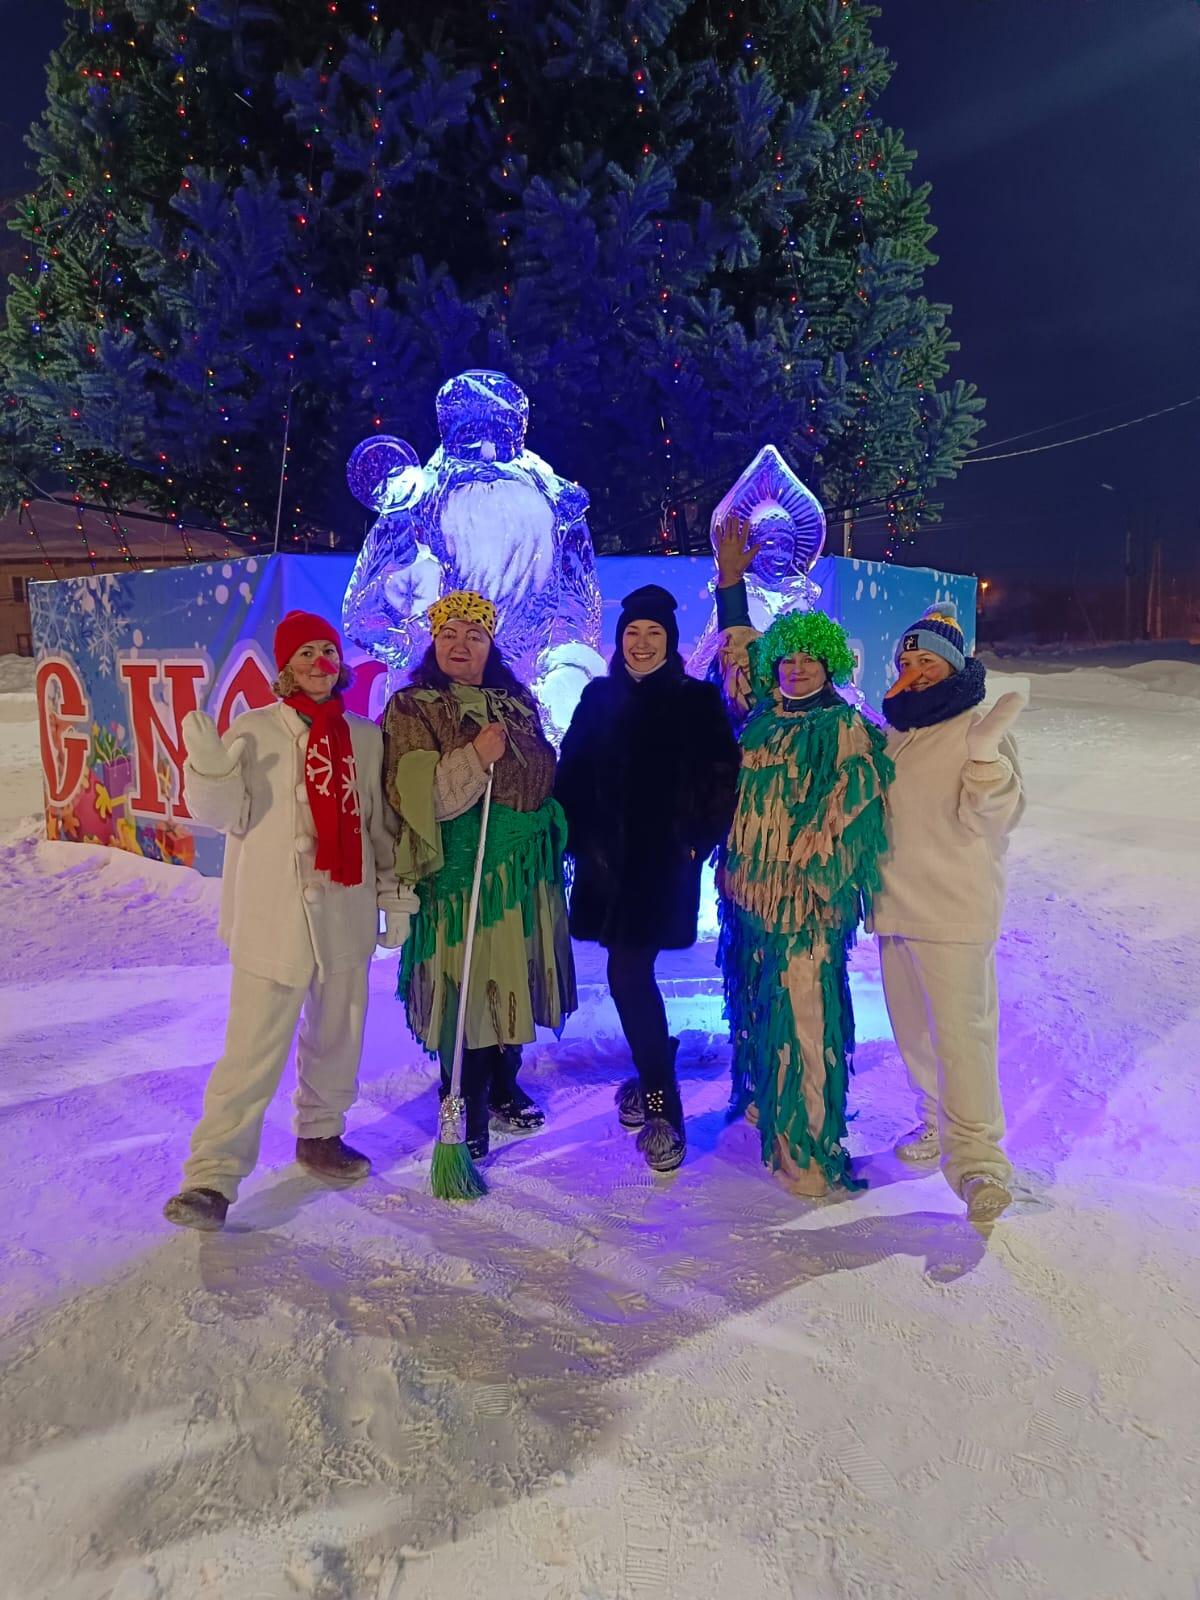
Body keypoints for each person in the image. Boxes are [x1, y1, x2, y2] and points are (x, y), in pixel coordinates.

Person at [163, 611, 414, 1232]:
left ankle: (321, 1135)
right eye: (306, 653)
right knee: (251, 1050)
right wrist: (209, 769)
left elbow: (377, 824)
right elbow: (225, 813)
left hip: (345, 913)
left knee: (338, 1038)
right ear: (287, 666)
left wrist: (394, 898)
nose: (320, 663)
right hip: (272, 917)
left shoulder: (364, 737)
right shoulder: (253, 730)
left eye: (328, 651)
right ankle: (212, 1175)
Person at [713, 520, 893, 1197]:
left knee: (806, 1021)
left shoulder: (844, 727)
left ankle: (809, 1147)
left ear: (830, 666)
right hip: (747, 899)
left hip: (804, 908)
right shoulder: (762, 717)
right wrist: (730, 583)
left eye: (809, 661)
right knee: (760, 1007)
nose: (795, 669)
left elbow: (853, 814)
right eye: (787, 660)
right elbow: (738, 653)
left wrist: (815, 883)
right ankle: (769, 1104)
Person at [382, 589, 576, 1159]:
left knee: (511, 981)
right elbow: (417, 796)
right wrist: (476, 757)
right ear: (433, 643)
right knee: (468, 989)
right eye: (449, 635)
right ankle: (463, 1093)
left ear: (491, 646)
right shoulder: (413, 706)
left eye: (474, 636)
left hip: (521, 873)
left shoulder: (516, 702)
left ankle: (502, 1083)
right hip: (464, 879)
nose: (460, 645)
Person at [555, 584, 740, 1171]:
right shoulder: (598, 696)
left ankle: (663, 1103)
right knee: (628, 975)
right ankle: (653, 1064)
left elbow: (722, 777)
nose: (641, 643)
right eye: (633, 632)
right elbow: (570, 772)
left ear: (670, 640)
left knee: (628, 972)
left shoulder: (694, 699)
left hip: (661, 868)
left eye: (653, 633)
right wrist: (577, 840)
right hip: (604, 868)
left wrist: (695, 842)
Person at [872, 602, 1026, 1226]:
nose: (916, 669)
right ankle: (935, 1121)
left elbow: (994, 818)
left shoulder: (975, 728)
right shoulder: (896, 732)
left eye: (928, 659)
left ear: (953, 665)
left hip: (954, 912)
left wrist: (986, 758)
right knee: (915, 1036)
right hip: (895, 910)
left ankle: (980, 1163)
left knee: (963, 1041)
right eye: (906, 659)